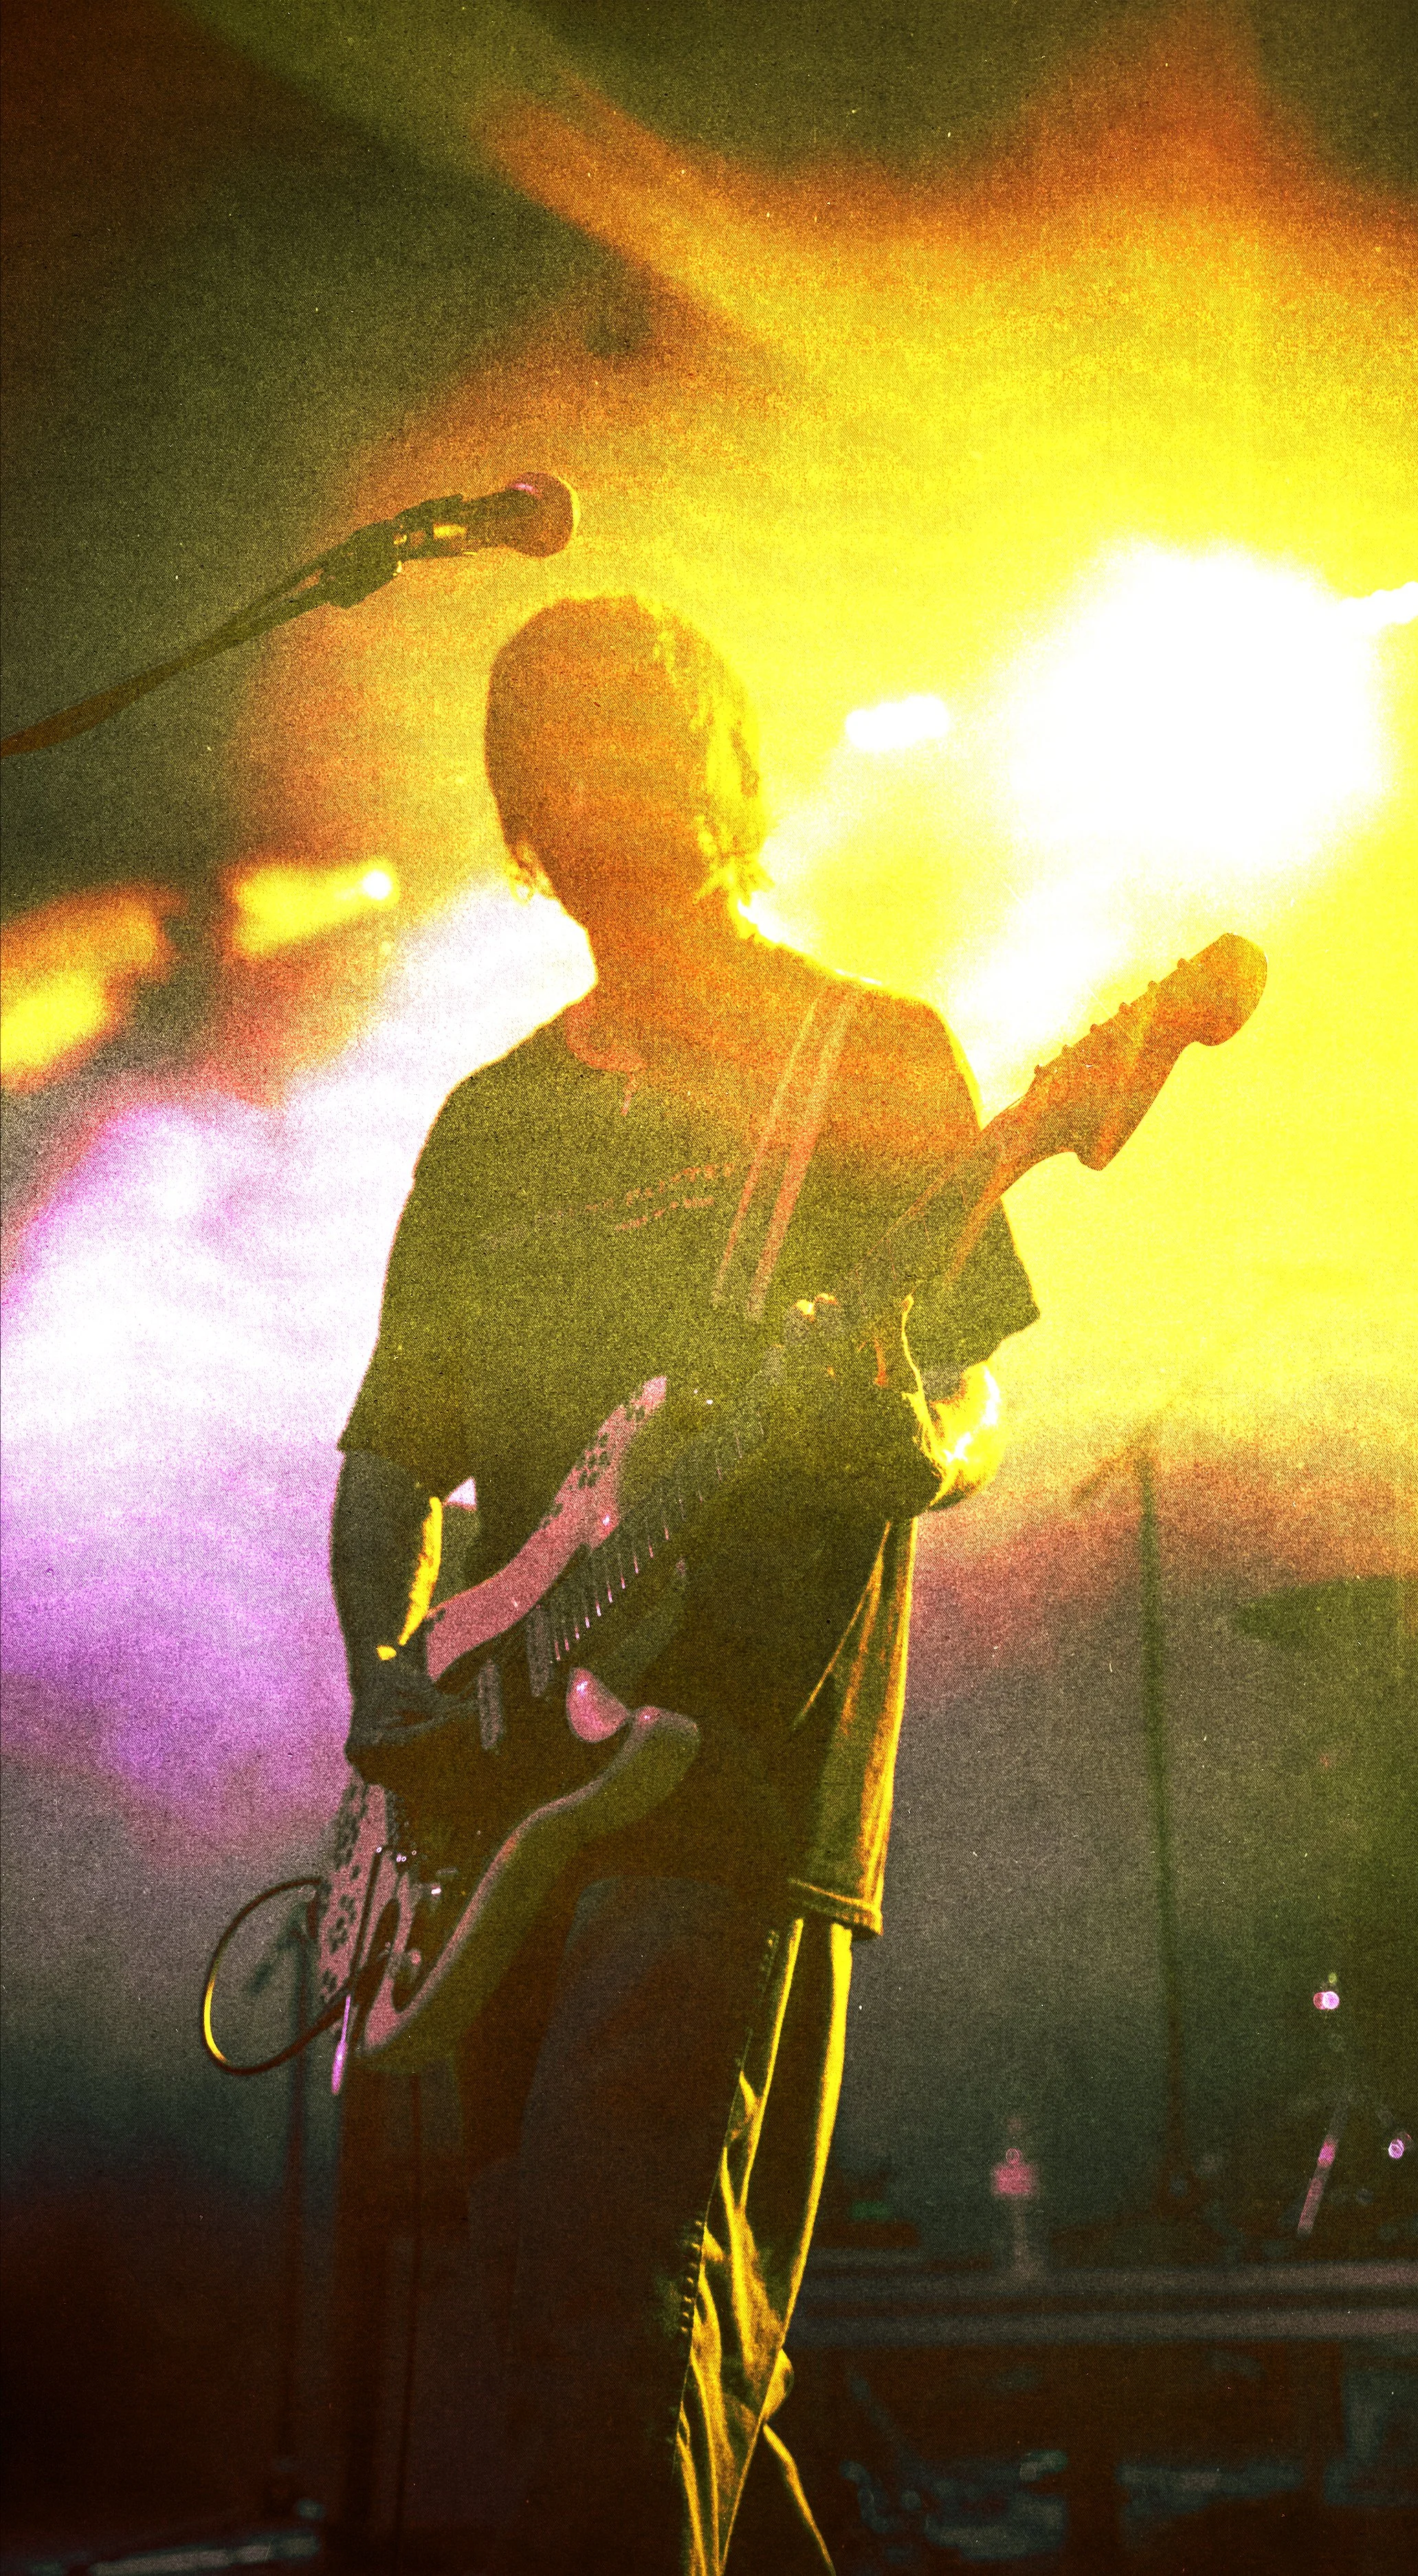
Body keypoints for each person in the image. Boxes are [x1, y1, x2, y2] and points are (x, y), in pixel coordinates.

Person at [331, 595, 1038, 2571]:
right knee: (652, 2328)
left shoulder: (867, 1055)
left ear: (716, 775)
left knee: (605, 2265)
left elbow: (968, 1381)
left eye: (629, 739)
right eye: (549, 754)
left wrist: (923, 1438)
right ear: (520, 816)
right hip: (496, 1776)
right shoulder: (496, 1119)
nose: (589, 783)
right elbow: (396, 1453)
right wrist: (387, 1671)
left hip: (736, 1755)